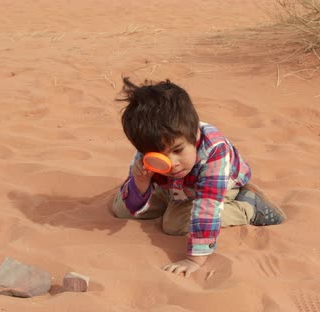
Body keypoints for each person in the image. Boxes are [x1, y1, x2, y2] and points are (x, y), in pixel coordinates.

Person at [112, 77, 286, 277]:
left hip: (218, 185)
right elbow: (133, 204)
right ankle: (171, 199)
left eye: (178, 150)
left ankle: (248, 208)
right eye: (161, 157)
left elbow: (208, 205)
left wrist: (194, 259)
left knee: (174, 224)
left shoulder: (214, 149)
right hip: (173, 187)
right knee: (121, 208)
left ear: (194, 134)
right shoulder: (148, 146)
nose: (172, 163)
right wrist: (141, 183)